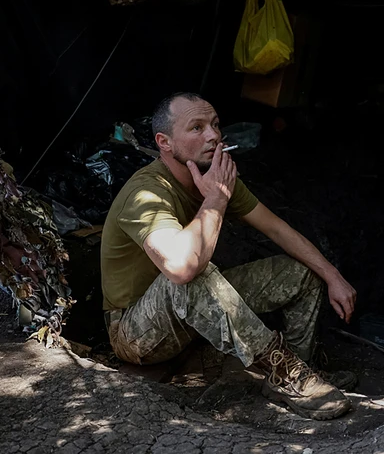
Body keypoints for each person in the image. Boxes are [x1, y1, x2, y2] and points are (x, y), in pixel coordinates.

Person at [101, 92, 359, 420]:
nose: (213, 135)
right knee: (193, 272)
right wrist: (217, 199)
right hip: (136, 330)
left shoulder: (214, 180)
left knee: (301, 273)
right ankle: (284, 371)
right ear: (164, 142)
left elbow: (277, 229)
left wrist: (332, 275)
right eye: (196, 128)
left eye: (215, 125)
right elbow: (181, 270)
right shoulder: (146, 193)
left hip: (190, 311)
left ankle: (298, 373)